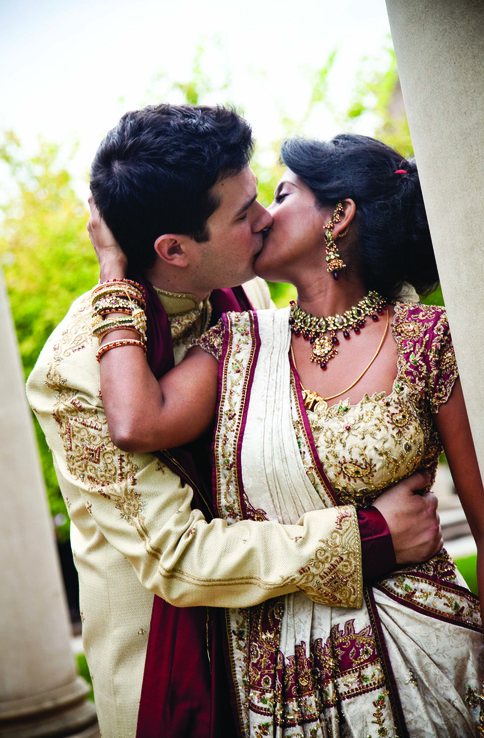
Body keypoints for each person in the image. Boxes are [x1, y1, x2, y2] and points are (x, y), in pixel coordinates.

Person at [27, 105, 442, 738]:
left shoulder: (242, 293)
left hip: (286, 648)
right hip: (169, 674)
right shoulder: (79, 369)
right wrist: (365, 538)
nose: (265, 219)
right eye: (244, 212)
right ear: (174, 250)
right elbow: (176, 557)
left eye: (262, 197)